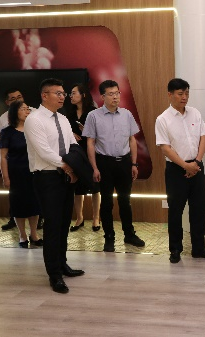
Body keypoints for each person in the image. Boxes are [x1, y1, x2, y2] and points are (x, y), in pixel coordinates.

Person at [24, 78, 84, 294]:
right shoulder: (34, 120)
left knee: (64, 223)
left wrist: (73, 168)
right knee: (52, 225)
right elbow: (44, 152)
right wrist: (67, 167)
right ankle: (54, 274)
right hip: (47, 177)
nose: (62, 97)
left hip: (66, 176)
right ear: (44, 95)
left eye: (63, 93)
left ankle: (62, 263)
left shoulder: (63, 119)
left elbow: (73, 145)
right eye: (58, 93)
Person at [155, 78, 205, 263]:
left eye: (187, 93)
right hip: (176, 170)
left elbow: (203, 139)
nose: (184, 97)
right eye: (180, 94)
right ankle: (175, 249)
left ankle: (199, 248)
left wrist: (196, 163)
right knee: (175, 211)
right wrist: (185, 165)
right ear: (170, 95)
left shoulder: (195, 113)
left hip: (197, 167)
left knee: (198, 210)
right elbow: (165, 148)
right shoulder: (163, 119)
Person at [82, 80, 145, 253]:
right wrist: (94, 168)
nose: (115, 97)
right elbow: (90, 143)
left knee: (125, 201)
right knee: (107, 202)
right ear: (102, 96)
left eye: (117, 93)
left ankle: (129, 234)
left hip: (124, 163)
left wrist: (134, 163)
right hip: (104, 163)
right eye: (111, 94)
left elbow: (132, 140)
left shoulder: (126, 114)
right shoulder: (93, 116)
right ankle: (109, 237)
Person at [0, 100, 43, 248]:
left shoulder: (33, 129)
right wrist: (5, 177)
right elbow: (3, 157)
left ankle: (34, 234)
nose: (27, 111)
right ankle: (22, 235)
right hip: (16, 173)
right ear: (15, 112)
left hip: (34, 172)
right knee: (19, 205)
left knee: (34, 204)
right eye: (23, 109)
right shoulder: (7, 132)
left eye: (27, 109)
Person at [65, 83, 101, 232]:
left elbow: (100, 134)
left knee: (95, 186)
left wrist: (85, 130)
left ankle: (96, 218)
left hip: (91, 152)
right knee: (77, 188)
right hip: (75, 153)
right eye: (70, 93)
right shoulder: (69, 113)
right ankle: (79, 218)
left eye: (74, 93)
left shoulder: (93, 112)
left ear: (83, 95)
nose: (71, 96)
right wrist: (71, 134)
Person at [0, 88, 25, 231]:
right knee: (14, 194)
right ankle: (13, 219)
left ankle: (38, 221)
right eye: (13, 98)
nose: (18, 100)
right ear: (7, 102)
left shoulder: (32, 112)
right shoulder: (4, 118)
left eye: (19, 96)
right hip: (14, 162)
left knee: (34, 194)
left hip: (31, 163)